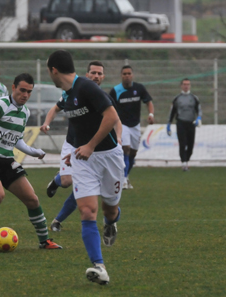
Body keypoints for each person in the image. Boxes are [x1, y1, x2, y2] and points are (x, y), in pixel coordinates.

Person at [47, 50, 124, 285]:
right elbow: (80, 126)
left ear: (53, 70)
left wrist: (90, 145)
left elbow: (111, 116)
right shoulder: (67, 95)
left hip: (109, 156)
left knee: (109, 209)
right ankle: (99, 266)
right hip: (83, 160)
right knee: (87, 211)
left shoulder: (87, 87)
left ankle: (111, 224)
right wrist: (76, 152)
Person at [0, 73, 62, 250]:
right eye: (22, 90)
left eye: (29, 92)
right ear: (13, 88)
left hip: (7, 161)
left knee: (32, 199)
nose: (25, 95)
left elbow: (16, 140)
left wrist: (32, 151)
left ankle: (44, 241)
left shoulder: (25, 112)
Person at [42, 60, 122, 232]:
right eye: (93, 73)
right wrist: (47, 123)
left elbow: (114, 118)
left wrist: (119, 138)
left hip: (94, 149)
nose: (96, 76)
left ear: (103, 77)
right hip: (74, 144)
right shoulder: (70, 92)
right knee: (66, 181)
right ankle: (56, 183)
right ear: (86, 74)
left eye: (99, 73)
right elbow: (55, 109)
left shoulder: (99, 95)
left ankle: (58, 220)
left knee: (86, 193)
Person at [110, 65, 154, 190]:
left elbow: (149, 102)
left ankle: (125, 177)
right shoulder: (115, 90)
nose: (127, 76)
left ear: (132, 75)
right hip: (121, 124)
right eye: (124, 74)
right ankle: (123, 180)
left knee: (133, 154)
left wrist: (151, 114)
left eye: (129, 73)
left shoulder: (139, 88)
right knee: (126, 149)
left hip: (135, 125)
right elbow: (109, 107)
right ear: (121, 76)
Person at [167, 78, 202, 171]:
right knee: (182, 143)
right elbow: (172, 112)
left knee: (190, 144)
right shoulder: (177, 98)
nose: (186, 86)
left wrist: (199, 118)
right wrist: (169, 124)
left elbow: (199, 110)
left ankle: (187, 160)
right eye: (184, 84)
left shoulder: (194, 98)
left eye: (188, 84)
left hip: (191, 123)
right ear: (181, 86)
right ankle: (184, 163)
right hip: (180, 123)